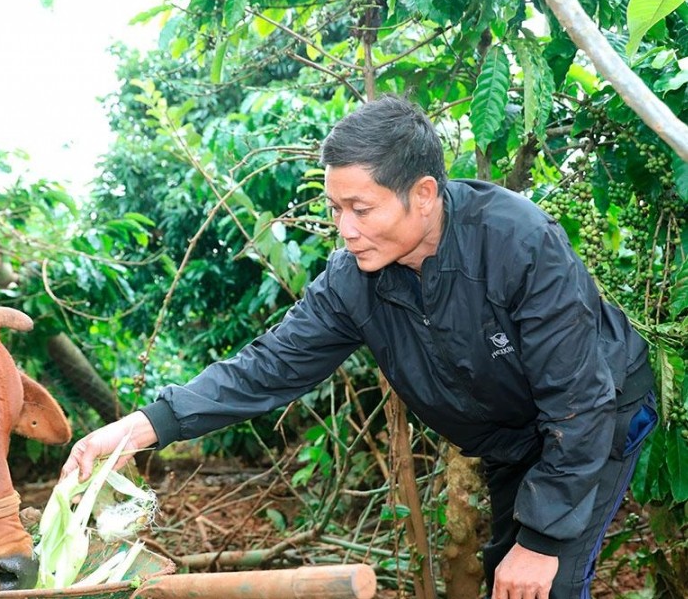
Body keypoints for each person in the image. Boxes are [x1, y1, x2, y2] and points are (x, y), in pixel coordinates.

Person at [61, 95, 658, 599]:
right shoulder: (354, 279)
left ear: (424, 193)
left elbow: (577, 400)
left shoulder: (518, 244)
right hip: (513, 436)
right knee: (510, 575)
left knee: (541, 578)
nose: (345, 229)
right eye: (335, 209)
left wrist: (542, 541)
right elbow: (269, 366)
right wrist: (141, 428)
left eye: (361, 208)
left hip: (597, 415)